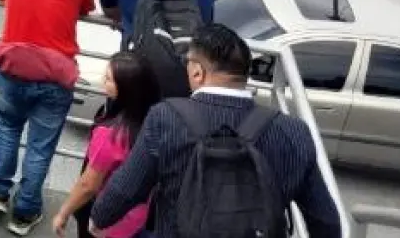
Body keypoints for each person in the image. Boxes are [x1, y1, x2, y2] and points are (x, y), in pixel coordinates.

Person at [89, 24, 344, 238]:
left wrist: (99, 218)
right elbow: (326, 222)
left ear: (197, 71)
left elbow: (127, 188)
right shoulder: (294, 132)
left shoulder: (166, 118)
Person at [0, 0, 95, 236]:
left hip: (14, 65)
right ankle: (25, 213)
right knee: (40, 147)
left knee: (6, 129)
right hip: (55, 75)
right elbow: (84, 9)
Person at [52, 52, 161, 238]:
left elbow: (88, 185)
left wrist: (64, 212)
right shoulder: (158, 121)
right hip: (143, 216)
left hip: (109, 221)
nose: (102, 80)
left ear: (126, 89)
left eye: (108, 78)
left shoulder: (111, 134)